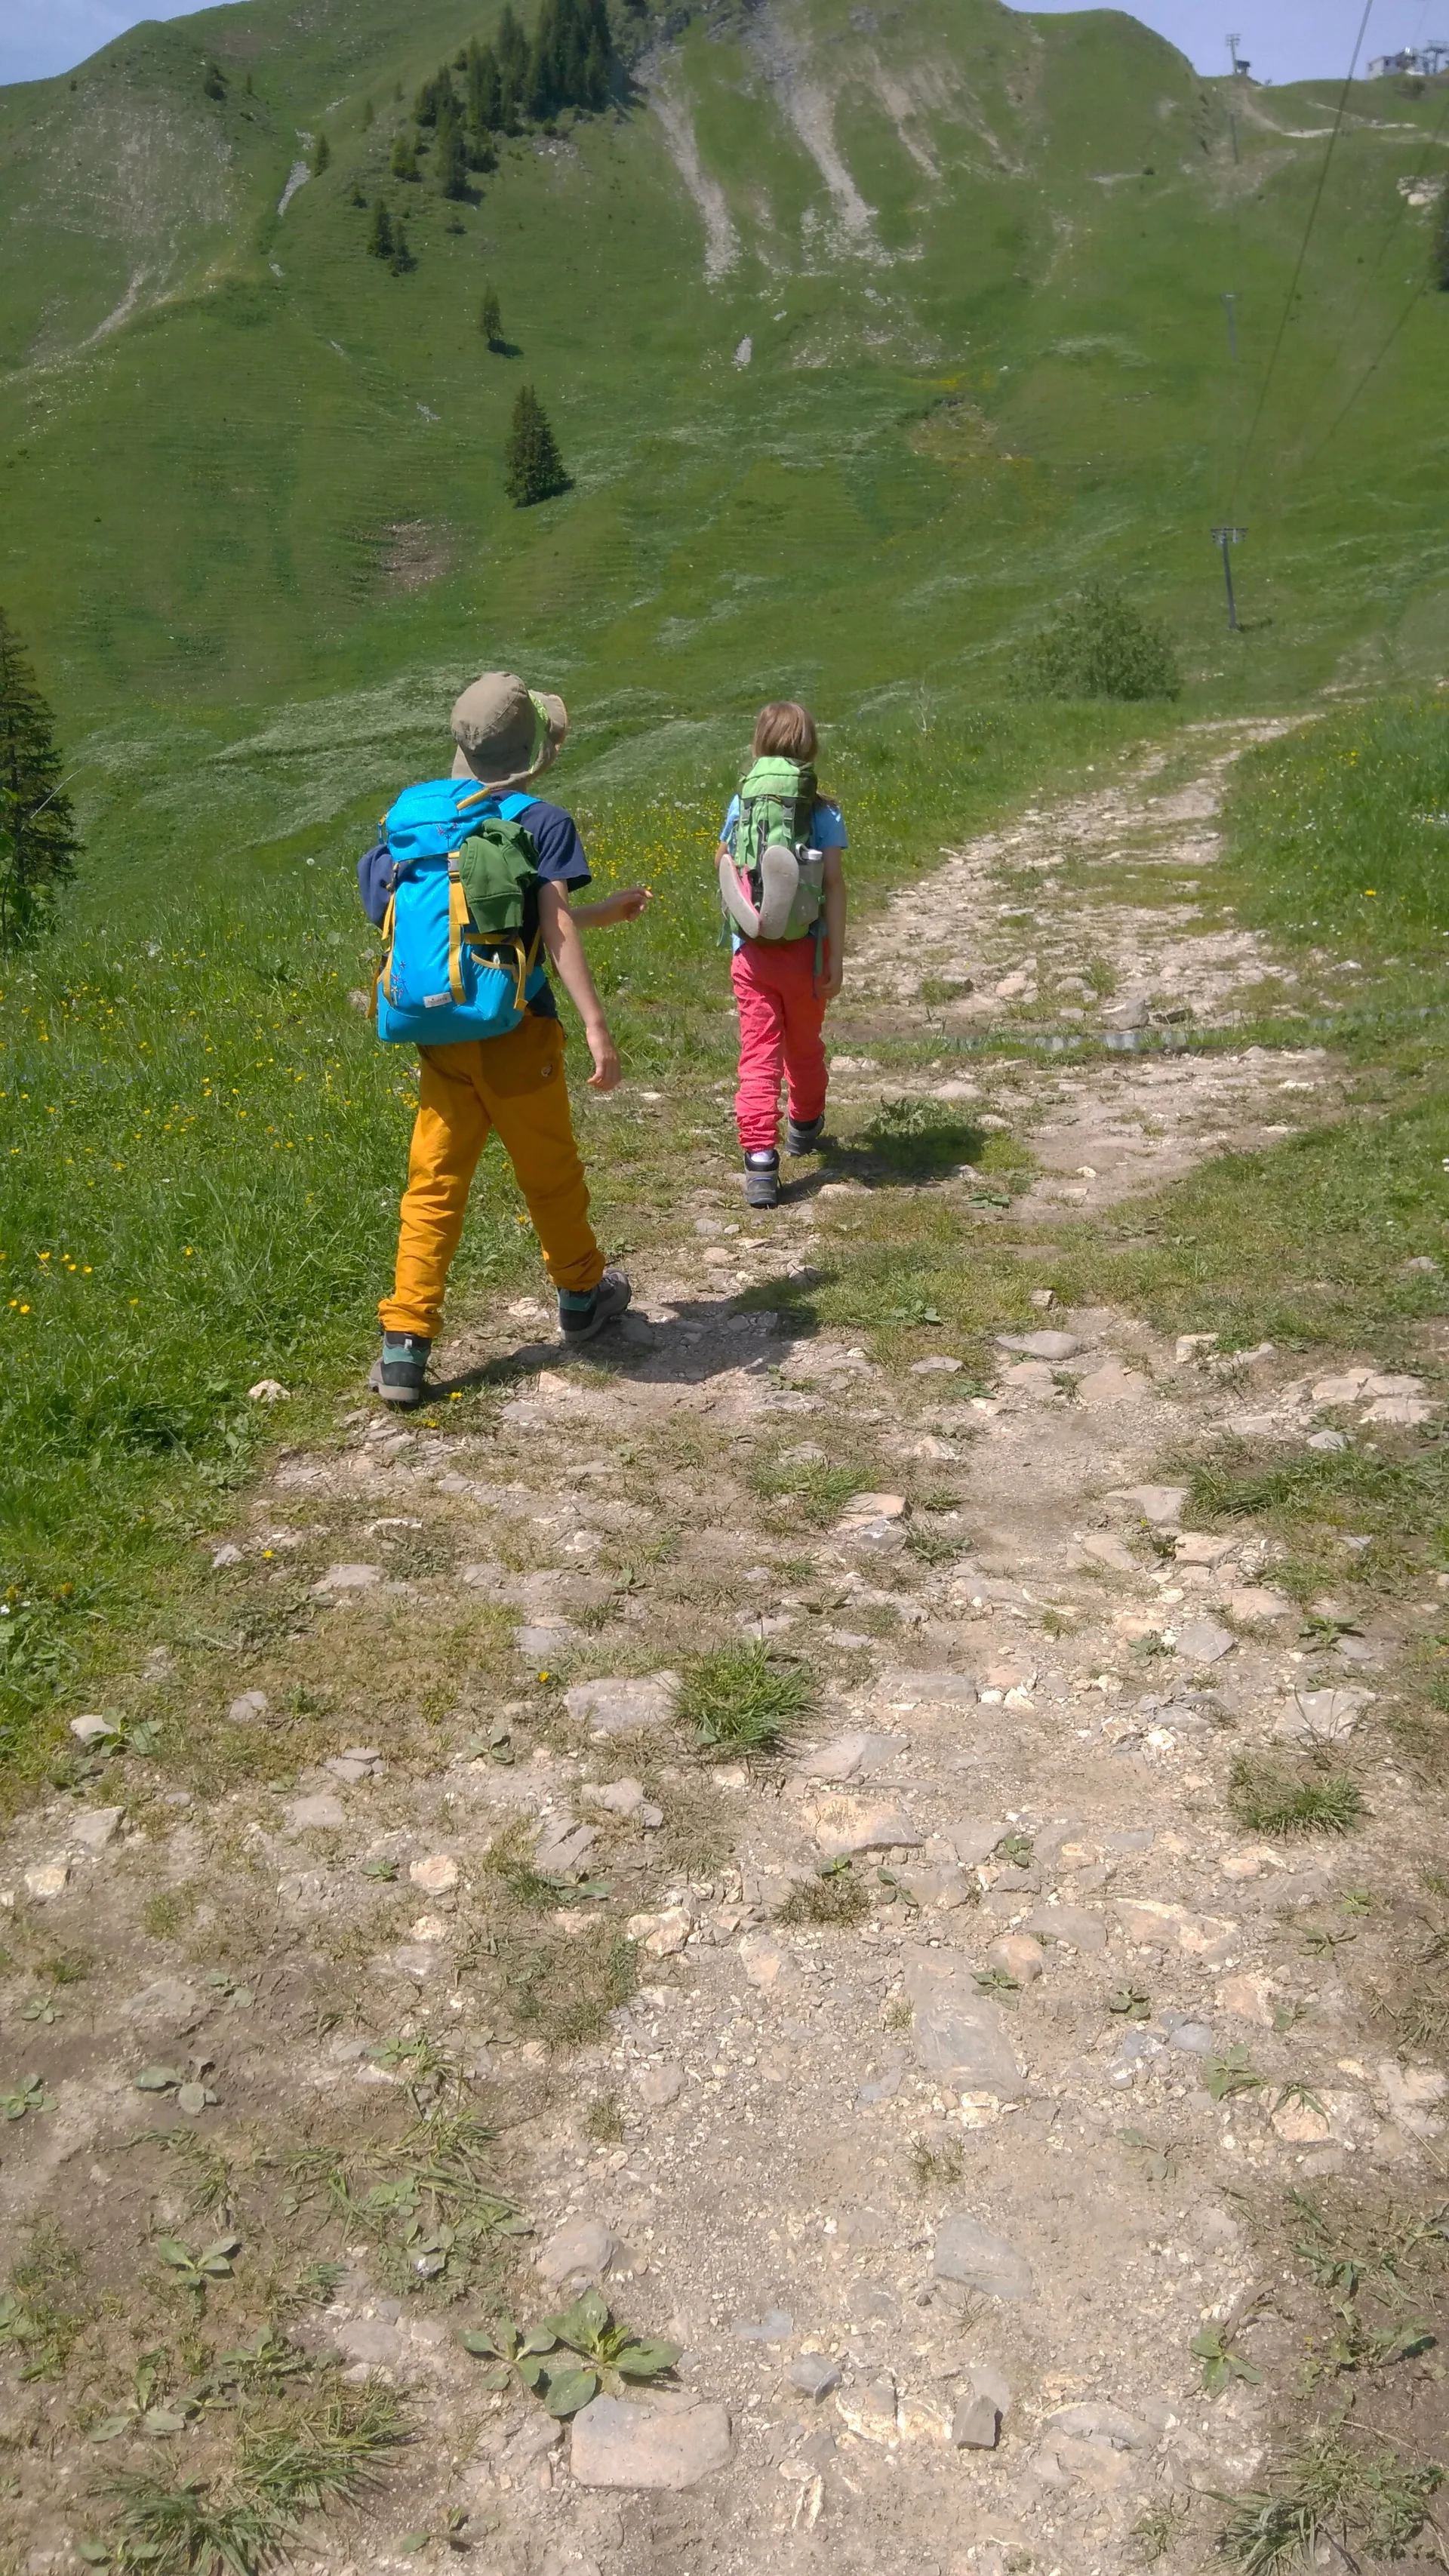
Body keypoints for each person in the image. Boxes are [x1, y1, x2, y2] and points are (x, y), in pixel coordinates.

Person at [361, 671, 648, 1408]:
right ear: (533, 753)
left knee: (433, 1185)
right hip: (519, 1032)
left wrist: (603, 913)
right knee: (548, 1172)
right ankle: (581, 1296)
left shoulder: (414, 818)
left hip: (441, 1038)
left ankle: (405, 1343)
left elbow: (391, 905)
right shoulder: (541, 821)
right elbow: (552, 927)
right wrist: (597, 1026)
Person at [715, 699, 848, 1209]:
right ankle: (805, 1122)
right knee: (803, 1046)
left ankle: (760, 1160)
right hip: (807, 954)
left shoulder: (742, 803)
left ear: (760, 744)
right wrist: (836, 957)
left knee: (758, 1055)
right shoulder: (824, 811)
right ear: (810, 748)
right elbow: (833, 885)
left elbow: (723, 864)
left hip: (752, 955)